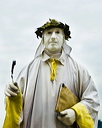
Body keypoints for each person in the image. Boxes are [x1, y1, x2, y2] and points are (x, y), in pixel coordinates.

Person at [4, 19, 100, 128]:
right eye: (49, 33)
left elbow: (92, 100)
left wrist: (75, 113)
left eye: (58, 32)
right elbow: (15, 105)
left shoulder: (79, 70)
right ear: (43, 39)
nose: (53, 37)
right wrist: (12, 95)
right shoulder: (28, 70)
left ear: (64, 38)